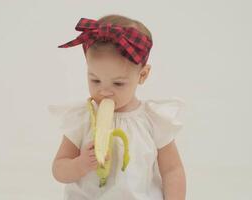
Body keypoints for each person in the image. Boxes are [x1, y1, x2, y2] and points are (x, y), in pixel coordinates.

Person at [48, 14, 186, 200]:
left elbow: (172, 170)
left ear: (142, 75)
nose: (104, 92)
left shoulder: (153, 120)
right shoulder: (83, 117)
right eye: (95, 80)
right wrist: (80, 165)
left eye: (118, 84)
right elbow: (59, 168)